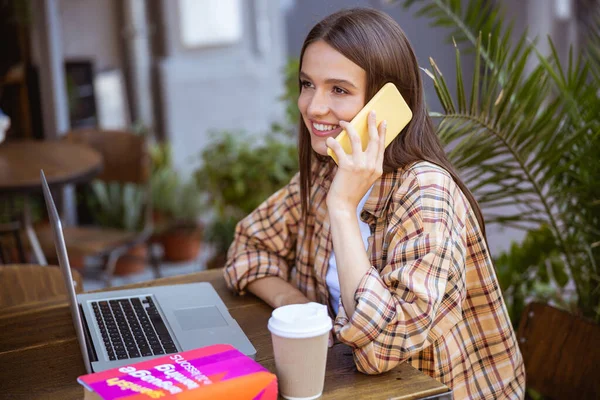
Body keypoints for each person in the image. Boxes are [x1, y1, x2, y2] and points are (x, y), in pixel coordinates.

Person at [224, 7, 525, 399]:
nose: (314, 107)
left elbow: (383, 348)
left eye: (339, 90)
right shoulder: (327, 172)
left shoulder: (426, 193)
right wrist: (294, 304)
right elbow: (247, 247)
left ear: (388, 104)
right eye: (307, 84)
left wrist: (343, 210)